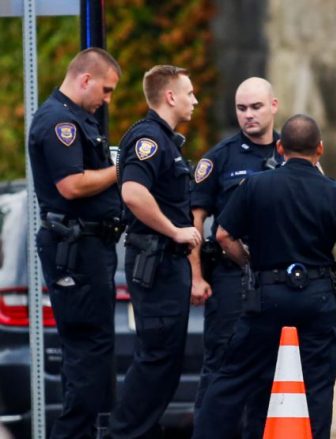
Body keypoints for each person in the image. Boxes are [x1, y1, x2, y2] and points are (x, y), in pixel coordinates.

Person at [193, 114, 336, 439]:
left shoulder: (255, 186)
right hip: (317, 297)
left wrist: (250, 264)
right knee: (317, 387)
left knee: (233, 379)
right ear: (320, 149)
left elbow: (222, 236)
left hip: (266, 297)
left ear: (279, 147)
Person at [28, 47, 122, 439]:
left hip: (88, 247)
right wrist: (121, 170)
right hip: (76, 247)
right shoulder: (59, 123)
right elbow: (72, 184)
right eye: (106, 89)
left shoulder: (78, 119)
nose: (107, 98)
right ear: (85, 79)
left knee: (92, 349)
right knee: (88, 349)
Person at [110, 65, 201, 438]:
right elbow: (132, 192)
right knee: (156, 358)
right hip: (157, 260)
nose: (195, 100)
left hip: (167, 263)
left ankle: (140, 431)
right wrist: (175, 231)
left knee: (166, 360)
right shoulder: (149, 139)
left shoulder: (166, 141)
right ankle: (125, 433)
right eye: (190, 92)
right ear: (170, 96)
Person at [188, 76, 281, 435]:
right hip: (231, 278)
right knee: (222, 363)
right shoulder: (219, 158)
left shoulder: (293, 154)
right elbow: (195, 223)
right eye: (241, 108)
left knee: (270, 371)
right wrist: (197, 277)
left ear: (273, 106)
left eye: (256, 107)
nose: (248, 115)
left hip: (278, 280)